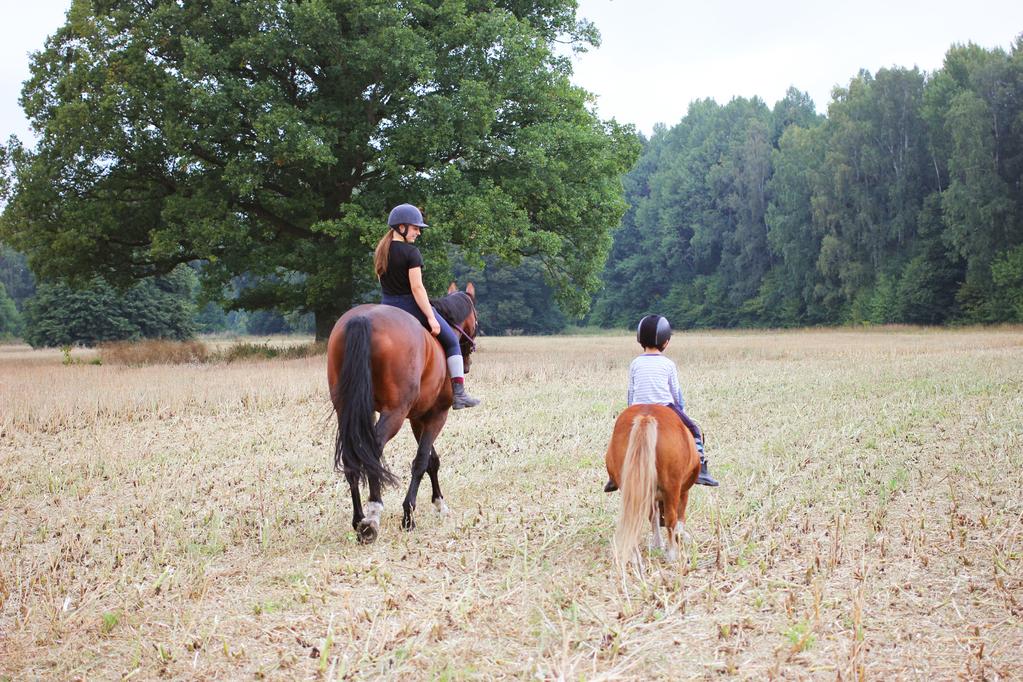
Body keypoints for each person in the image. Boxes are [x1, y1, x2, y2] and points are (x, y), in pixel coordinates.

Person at [374, 203, 480, 409]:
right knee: (452, 342)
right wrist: (431, 318)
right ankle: (459, 394)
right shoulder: (411, 253)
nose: (419, 232)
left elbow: (383, 284)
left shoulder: (381, 252)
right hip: (409, 306)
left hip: (386, 307)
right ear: (401, 227)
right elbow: (417, 288)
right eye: (415, 228)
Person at [605, 314, 718, 490]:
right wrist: (681, 412)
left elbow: (631, 391)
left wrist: (631, 410)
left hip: (637, 408)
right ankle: (702, 467)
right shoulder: (668, 364)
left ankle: (614, 475)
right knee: (695, 430)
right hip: (666, 406)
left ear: (640, 339)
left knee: (617, 437)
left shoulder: (635, 363)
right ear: (666, 342)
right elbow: (676, 394)